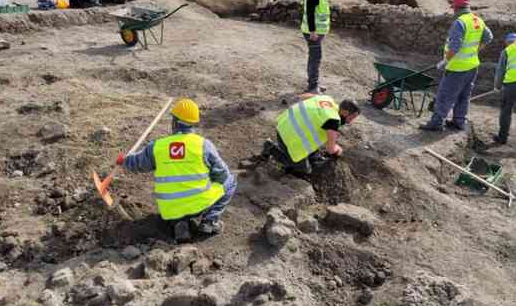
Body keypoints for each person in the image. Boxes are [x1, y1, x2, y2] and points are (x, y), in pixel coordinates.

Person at [120, 98, 236, 242]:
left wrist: (123, 160)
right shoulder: (203, 145)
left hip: (169, 210)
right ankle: (209, 222)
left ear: (174, 122)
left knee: (176, 198)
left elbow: (136, 164)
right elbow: (223, 175)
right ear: (194, 124)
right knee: (231, 181)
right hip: (198, 206)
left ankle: (179, 223)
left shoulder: (157, 146)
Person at [420, 0, 493, 131]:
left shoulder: (460, 22)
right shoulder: (477, 20)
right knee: (464, 95)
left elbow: (454, 46)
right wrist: (475, 51)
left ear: (456, 8)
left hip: (457, 67)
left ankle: (436, 123)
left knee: (445, 95)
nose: (453, 11)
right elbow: (489, 37)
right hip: (472, 66)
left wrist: (445, 60)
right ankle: (459, 121)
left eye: (453, 8)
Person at [261, 95, 360, 174]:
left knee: (314, 153)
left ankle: (310, 156)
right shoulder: (333, 120)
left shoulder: (326, 99)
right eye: (353, 117)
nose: (352, 121)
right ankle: (271, 147)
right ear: (345, 112)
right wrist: (338, 150)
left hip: (284, 124)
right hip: (287, 137)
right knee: (305, 170)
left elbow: (304, 96)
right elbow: (330, 149)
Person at [301, 0, 340, 94]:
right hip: (312, 33)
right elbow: (310, 11)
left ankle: (314, 84)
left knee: (315, 58)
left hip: (316, 32)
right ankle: (312, 87)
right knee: (315, 58)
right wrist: (312, 31)